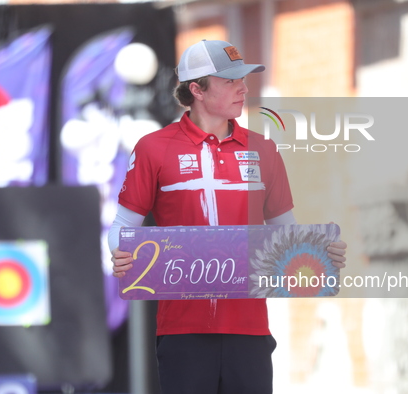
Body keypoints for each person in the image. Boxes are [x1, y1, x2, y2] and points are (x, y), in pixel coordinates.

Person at [108, 39, 347, 394]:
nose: (243, 88)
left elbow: (286, 234)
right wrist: (122, 252)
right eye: (230, 80)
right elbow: (121, 229)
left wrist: (319, 253)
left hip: (249, 330)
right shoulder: (153, 148)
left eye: (243, 79)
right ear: (197, 89)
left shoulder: (264, 149)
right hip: (181, 331)